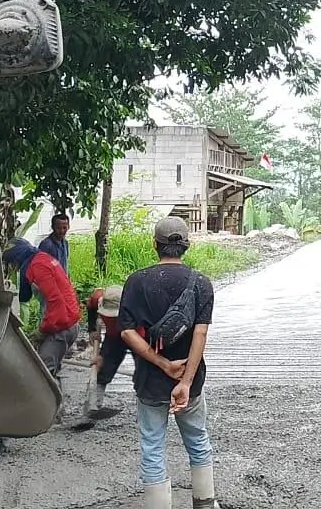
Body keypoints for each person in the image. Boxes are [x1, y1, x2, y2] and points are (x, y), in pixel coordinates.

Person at [119, 216, 217, 509]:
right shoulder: (201, 283)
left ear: (155, 245)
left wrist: (162, 364)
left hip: (150, 380)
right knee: (197, 439)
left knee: (152, 446)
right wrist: (185, 380)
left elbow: (126, 331)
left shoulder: (137, 281)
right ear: (186, 245)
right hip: (191, 381)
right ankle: (204, 503)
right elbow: (200, 333)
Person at [2, 238, 81, 386]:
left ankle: (48, 408)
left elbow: (55, 301)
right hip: (67, 323)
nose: (14, 268)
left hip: (61, 326)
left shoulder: (38, 266)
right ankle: (58, 404)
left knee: (42, 376)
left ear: (18, 257)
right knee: (51, 372)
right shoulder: (42, 259)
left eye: (13, 263)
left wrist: (42, 330)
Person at [87, 285, 127, 401]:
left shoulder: (135, 308)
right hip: (113, 335)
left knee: (143, 372)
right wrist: (92, 329)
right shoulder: (98, 298)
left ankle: (143, 407)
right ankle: (95, 401)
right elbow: (90, 307)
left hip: (134, 334)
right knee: (104, 367)